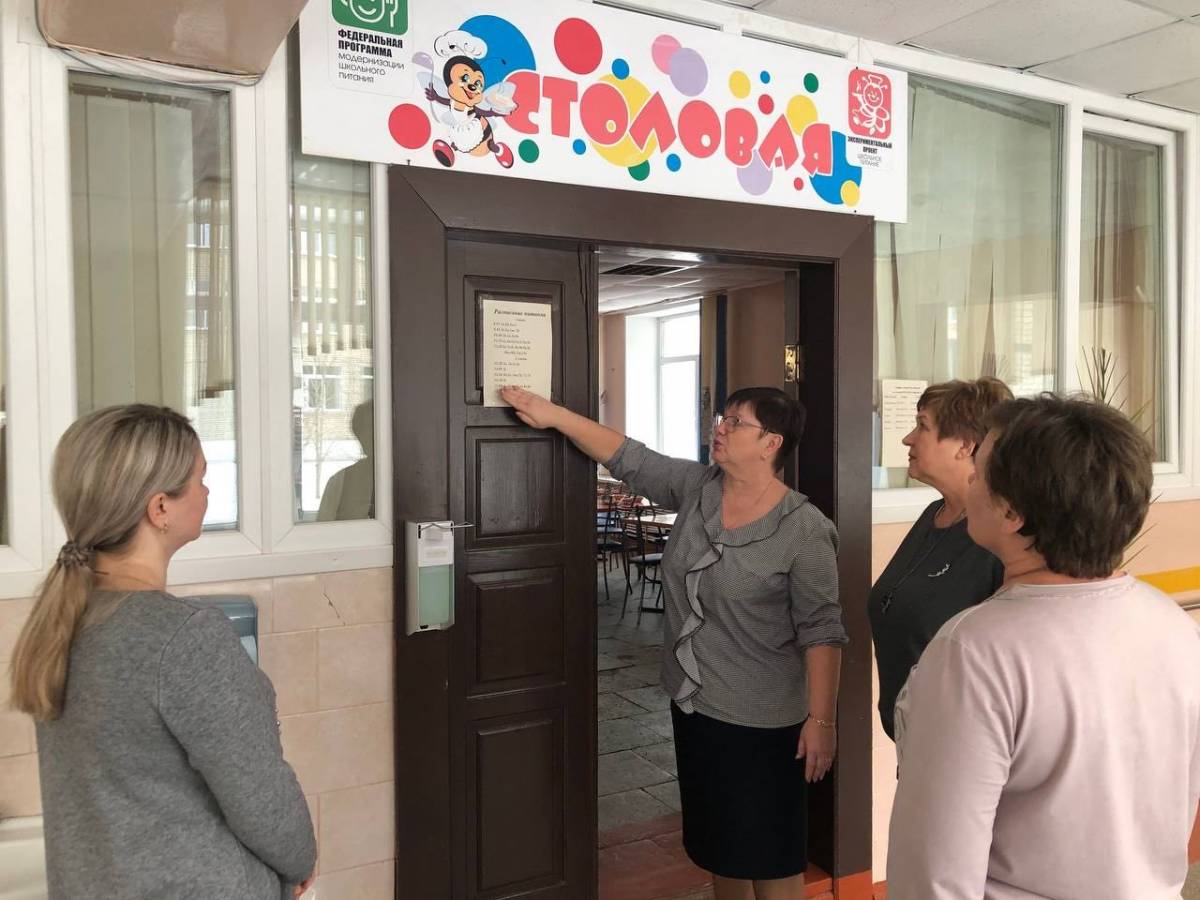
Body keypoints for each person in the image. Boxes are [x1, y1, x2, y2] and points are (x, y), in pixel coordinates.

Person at [501, 385, 845, 900]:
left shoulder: (804, 529)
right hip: (694, 707)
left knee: (770, 853)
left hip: (764, 721)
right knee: (719, 846)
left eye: (736, 422)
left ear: (771, 443)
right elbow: (630, 457)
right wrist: (555, 416)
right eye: (722, 417)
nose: (720, 428)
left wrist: (822, 721)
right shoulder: (698, 487)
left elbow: (823, 630)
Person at [887, 395, 1200, 900]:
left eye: (980, 473)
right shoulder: (1174, 626)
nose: (970, 482)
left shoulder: (975, 651)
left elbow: (934, 879)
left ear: (1011, 511)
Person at [9, 405, 316, 899]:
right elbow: (261, 798)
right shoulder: (185, 637)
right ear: (160, 509)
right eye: (199, 480)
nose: (207, 492)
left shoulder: (64, 620)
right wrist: (300, 859)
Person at [867, 377, 1012, 740]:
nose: (908, 439)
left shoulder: (1000, 535)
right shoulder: (933, 515)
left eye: (922, 426)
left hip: (962, 742)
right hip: (913, 739)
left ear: (965, 445)